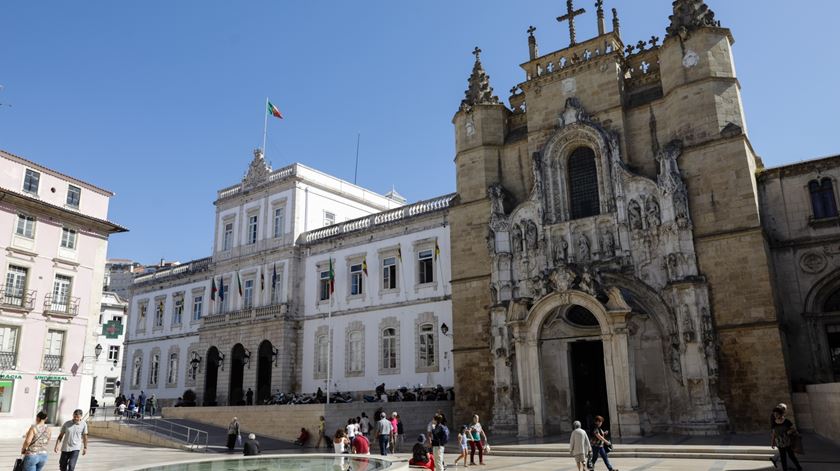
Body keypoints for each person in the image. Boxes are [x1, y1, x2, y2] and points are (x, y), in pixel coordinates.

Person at [771, 406, 803, 471]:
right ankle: (785, 469)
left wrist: (789, 431)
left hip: (787, 442)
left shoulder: (786, 421)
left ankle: (799, 468)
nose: (775, 416)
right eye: (774, 414)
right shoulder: (774, 422)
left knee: (791, 456)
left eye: (776, 414)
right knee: (783, 457)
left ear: (780, 414)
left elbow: (793, 429)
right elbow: (774, 433)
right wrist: (772, 442)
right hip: (779, 442)